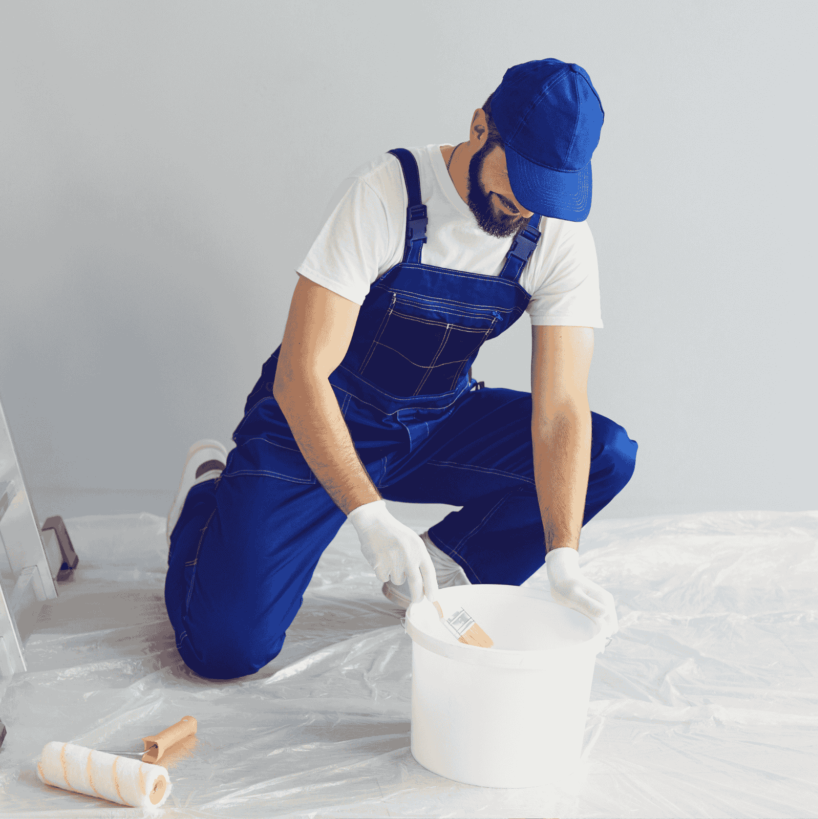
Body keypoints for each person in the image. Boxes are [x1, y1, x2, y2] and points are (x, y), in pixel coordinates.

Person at [164, 58, 638, 680]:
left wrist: (563, 557)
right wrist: (370, 519)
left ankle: (450, 563)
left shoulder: (557, 233)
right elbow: (301, 375)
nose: (525, 206)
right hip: (320, 420)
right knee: (224, 649)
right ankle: (206, 499)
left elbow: (561, 411)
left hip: (439, 421)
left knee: (605, 452)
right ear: (479, 127)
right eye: (517, 179)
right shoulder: (385, 194)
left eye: (545, 192)